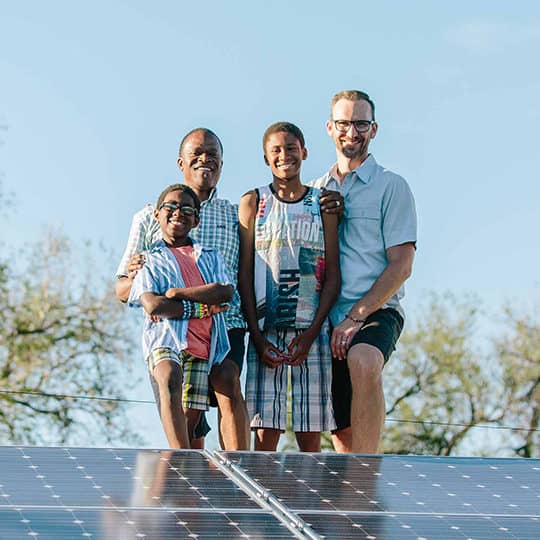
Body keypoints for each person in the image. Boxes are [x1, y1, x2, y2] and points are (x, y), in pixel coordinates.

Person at [115, 128, 250, 450]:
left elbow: (234, 282)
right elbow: (123, 288)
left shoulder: (235, 215)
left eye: (212, 155)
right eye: (196, 154)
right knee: (190, 421)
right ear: (181, 162)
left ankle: (242, 471)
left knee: (227, 379)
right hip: (173, 328)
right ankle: (185, 479)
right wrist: (159, 291)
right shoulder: (150, 216)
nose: (205, 160)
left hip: (224, 324)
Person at [310, 90, 417, 454]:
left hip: (374, 312)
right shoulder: (314, 191)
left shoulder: (392, 187)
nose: (351, 132)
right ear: (329, 127)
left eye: (360, 124)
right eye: (343, 123)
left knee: (364, 359)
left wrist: (357, 316)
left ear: (374, 129)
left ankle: (366, 474)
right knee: (342, 436)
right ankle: (354, 500)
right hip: (326, 319)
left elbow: (402, 265)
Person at [238, 122, 340, 451]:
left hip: (313, 331)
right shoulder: (254, 202)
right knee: (266, 428)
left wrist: (311, 334)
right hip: (266, 331)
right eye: (276, 151)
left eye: (291, 148)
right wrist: (255, 334)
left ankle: (312, 499)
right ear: (266, 158)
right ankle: (260, 499)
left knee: (310, 431)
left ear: (305, 152)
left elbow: (334, 275)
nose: (285, 156)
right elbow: (245, 274)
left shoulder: (322, 203)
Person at [128, 183, 232, 448]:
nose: (178, 213)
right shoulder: (148, 259)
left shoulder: (209, 256)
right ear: (157, 215)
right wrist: (201, 307)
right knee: (168, 375)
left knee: (190, 418)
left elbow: (224, 291)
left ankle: (182, 473)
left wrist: (178, 293)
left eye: (187, 209)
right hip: (166, 338)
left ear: (196, 219)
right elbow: (153, 305)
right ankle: (179, 460)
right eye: (171, 207)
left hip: (203, 345)